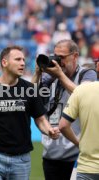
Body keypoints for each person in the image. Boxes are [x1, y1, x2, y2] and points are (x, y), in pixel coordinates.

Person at [0, 46, 59, 180]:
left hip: (21, 160)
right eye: (18, 59)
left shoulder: (30, 90)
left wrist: (49, 130)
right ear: (4, 63)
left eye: (23, 59)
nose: (23, 63)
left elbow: (40, 119)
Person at [32, 39, 97, 180]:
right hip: (51, 155)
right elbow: (31, 100)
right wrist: (37, 74)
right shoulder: (49, 79)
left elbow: (85, 95)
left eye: (61, 57)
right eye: (55, 56)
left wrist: (60, 75)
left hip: (76, 156)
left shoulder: (87, 74)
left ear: (75, 56)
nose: (58, 61)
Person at [59, 82, 99, 180]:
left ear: (97, 66)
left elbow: (63, 126)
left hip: (88, 167)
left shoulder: (82, 89)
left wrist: (79, 143)